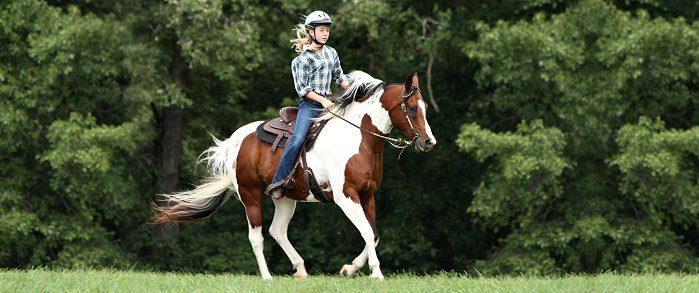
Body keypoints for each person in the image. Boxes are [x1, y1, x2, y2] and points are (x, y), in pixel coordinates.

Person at [265, 10, 350, 200]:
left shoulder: (332, 52)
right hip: (311, 106)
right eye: (321, 30)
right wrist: (323, 100)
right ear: (311, 32)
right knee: (297, 139)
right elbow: (303, 89)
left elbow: (340, 77)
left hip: (331, 103)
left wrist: (354, 90)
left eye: (327, 30)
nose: (325, 33)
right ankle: (279, 181)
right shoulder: (300, 61)